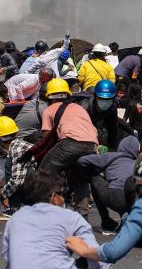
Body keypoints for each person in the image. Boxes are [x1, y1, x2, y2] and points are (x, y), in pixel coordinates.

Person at [2, 170, 123, 269]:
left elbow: (12, 264)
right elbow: (97, 261)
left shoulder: (15, 219)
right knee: (97, 261)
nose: (64, 199)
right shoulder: (71, 217)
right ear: (53, 197)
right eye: (63, 194)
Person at [36, 78, 99, 215]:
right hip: (92, 145)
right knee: (80, 178)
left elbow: (47, 138)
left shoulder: (48, 110)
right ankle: (82, 212)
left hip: (70, 142)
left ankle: (50, 209)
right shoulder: (78, 108)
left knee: (45, 171)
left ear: (48, 97)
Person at [76, 135, 141, 231]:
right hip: (130, 202)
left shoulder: (111, 156)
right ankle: (126, 218)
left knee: (95, 178)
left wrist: (89, 172)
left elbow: (82, 160)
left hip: (112, 197)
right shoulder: (138, 163)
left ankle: (106, 220)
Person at [0, 116, 37, 220]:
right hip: (40, 185)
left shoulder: (17, 149)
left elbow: (16, 180)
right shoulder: (18, 145)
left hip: (39, 186)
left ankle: (15, 208)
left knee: (8, 165)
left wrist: (1, 194)